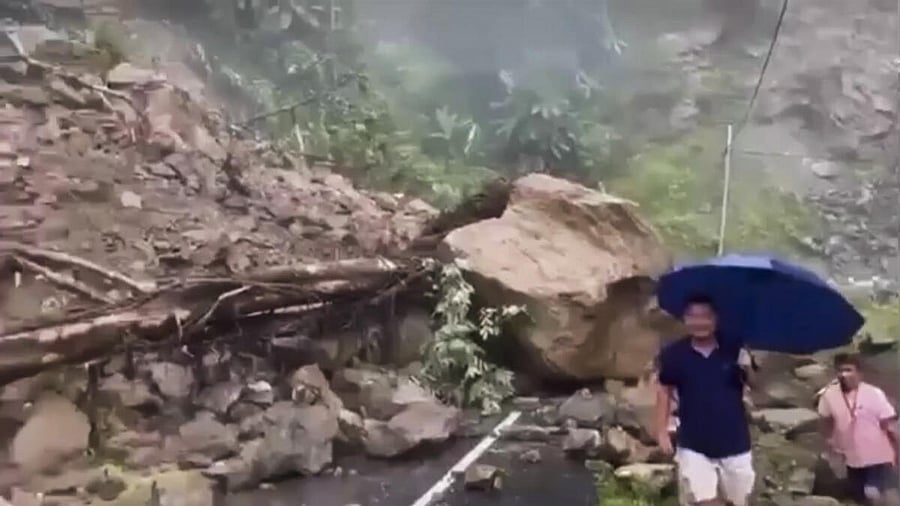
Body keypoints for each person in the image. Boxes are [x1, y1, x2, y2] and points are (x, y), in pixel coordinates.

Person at [655, 294, 756, 506]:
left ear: (716, 318)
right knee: (703, 501)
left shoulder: (734, 348)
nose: (699, 322)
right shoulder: (674, 354)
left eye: (705, 316)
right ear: (684, 319)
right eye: (693, 316)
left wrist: (749, 366)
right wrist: (661, 430)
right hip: (694, 442)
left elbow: (756, 385)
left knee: (738, 501)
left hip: (735, 441)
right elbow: (664, 389)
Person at [817, 353, 899, 505]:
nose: (844, 375)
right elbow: (825, 419)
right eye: (840, 371)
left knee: (872, 491)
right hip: (851, 456)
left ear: (859, 373)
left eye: (848, 370)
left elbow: (888, 423)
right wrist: (830, 442)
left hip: (877, 454)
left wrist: (896, 448)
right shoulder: (829, 395)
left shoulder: (874, 393)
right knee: (859, 495)